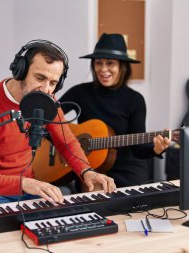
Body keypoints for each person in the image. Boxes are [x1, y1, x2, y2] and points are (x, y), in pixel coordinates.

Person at [0, 40, 116, 208]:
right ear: (21, 71)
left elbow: (66, 142)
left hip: (26, 188)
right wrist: (24, 183)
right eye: (40, 78)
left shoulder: (46, 100)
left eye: (53, 83)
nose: (46, 89)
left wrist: (86, 171)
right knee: (14, 231)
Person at [60, 33, 170, 188]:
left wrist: (156, 149)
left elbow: (138, 150)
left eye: (110, 63)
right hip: (92, 171)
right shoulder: (80, 92)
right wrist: (61, 143)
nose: (103, 69)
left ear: (122, 66)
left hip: (127, 172)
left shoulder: (135, 100)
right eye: (98, 63)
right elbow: (49, 117)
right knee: (94, 196)